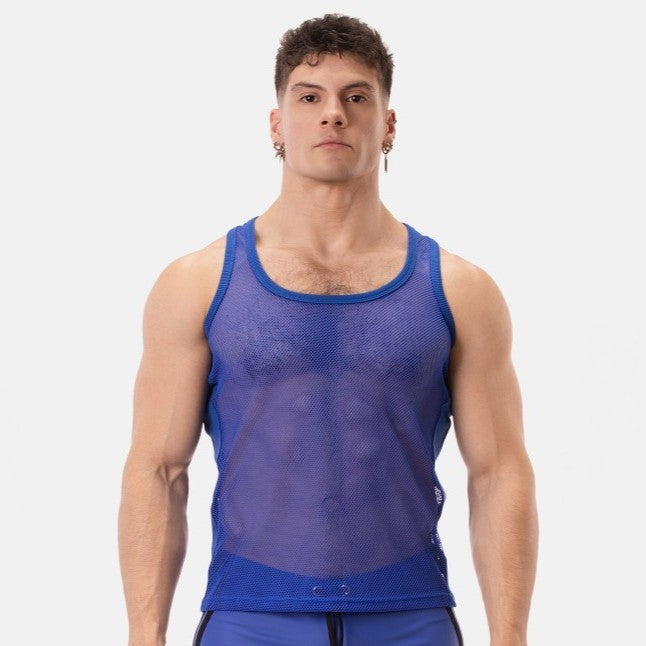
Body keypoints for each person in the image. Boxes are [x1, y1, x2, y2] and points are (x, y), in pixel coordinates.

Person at [118, 13, 538, 646]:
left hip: (409, 619)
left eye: (356, 97)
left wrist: (510, 638)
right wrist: (144, 637)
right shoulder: (197, 283)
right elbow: (158, 470)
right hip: (251, 619)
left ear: (388, 124)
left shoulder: (460, 290)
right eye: (309, 98)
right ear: (277, 124)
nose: (333, 115)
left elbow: (499, 473)